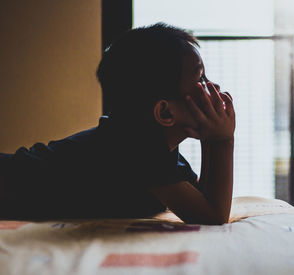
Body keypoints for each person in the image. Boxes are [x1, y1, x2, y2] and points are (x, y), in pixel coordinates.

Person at [0, 22, 235, 225]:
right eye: (200, 78)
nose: (212, 87)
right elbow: (212, 216)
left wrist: (211, 138)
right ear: (164, 112)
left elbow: (201, 197)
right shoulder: (136, 148)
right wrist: (222, 140)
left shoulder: (153, 146)